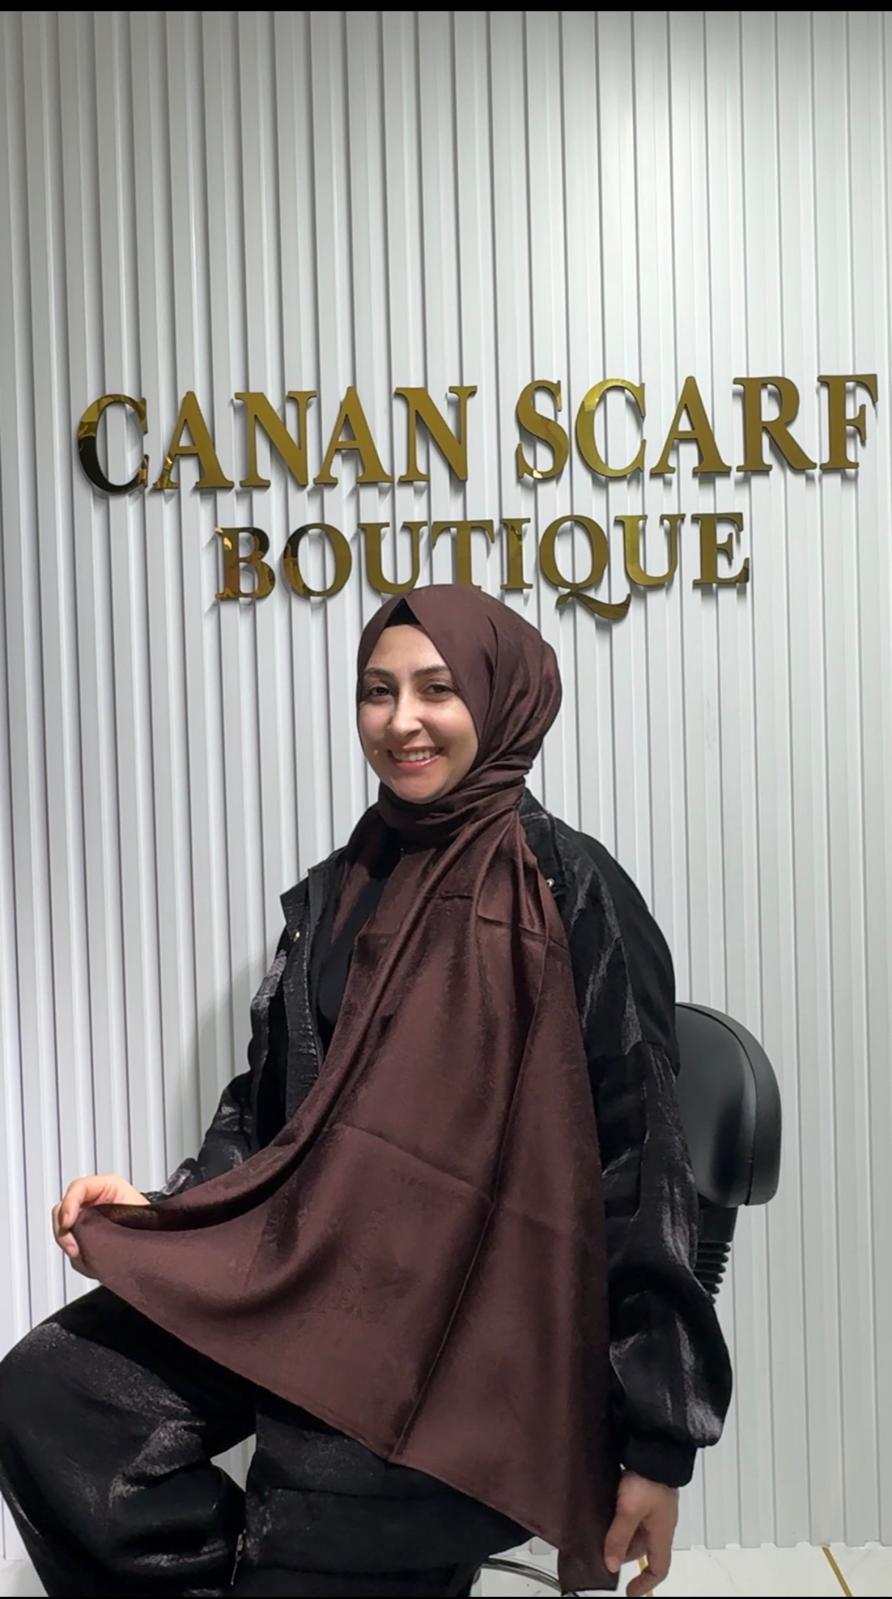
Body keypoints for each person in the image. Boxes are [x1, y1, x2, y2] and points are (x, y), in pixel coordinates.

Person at [0, 586, 731, 1598]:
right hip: (312, 1280)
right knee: (56, 1396)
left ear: (500, 699)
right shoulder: (345, 883)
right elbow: (268, 1110)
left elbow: (642, 1171)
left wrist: (656, 1442)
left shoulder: (569, 891)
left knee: (315, 1503)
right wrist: (166, 1214)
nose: (401, 721)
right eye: (376, 692)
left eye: (436, 689)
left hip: (467, 1332)